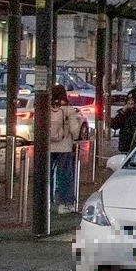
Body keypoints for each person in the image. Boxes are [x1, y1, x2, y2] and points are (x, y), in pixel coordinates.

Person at [48, 85, 85, 214]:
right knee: (65, 175)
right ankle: (65, 204)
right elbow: (75, 130)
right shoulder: (69, 109)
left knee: (47, 175)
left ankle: (47, 201)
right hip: (64, 147)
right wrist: (75, 137)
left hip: (48, 147)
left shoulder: (47, 108)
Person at [110, 89, 136, 154]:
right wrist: (123, 112)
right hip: (125, 147)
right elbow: (114, 125)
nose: (130, 103)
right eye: (128, 101)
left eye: (133, 101)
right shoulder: (124, 113)